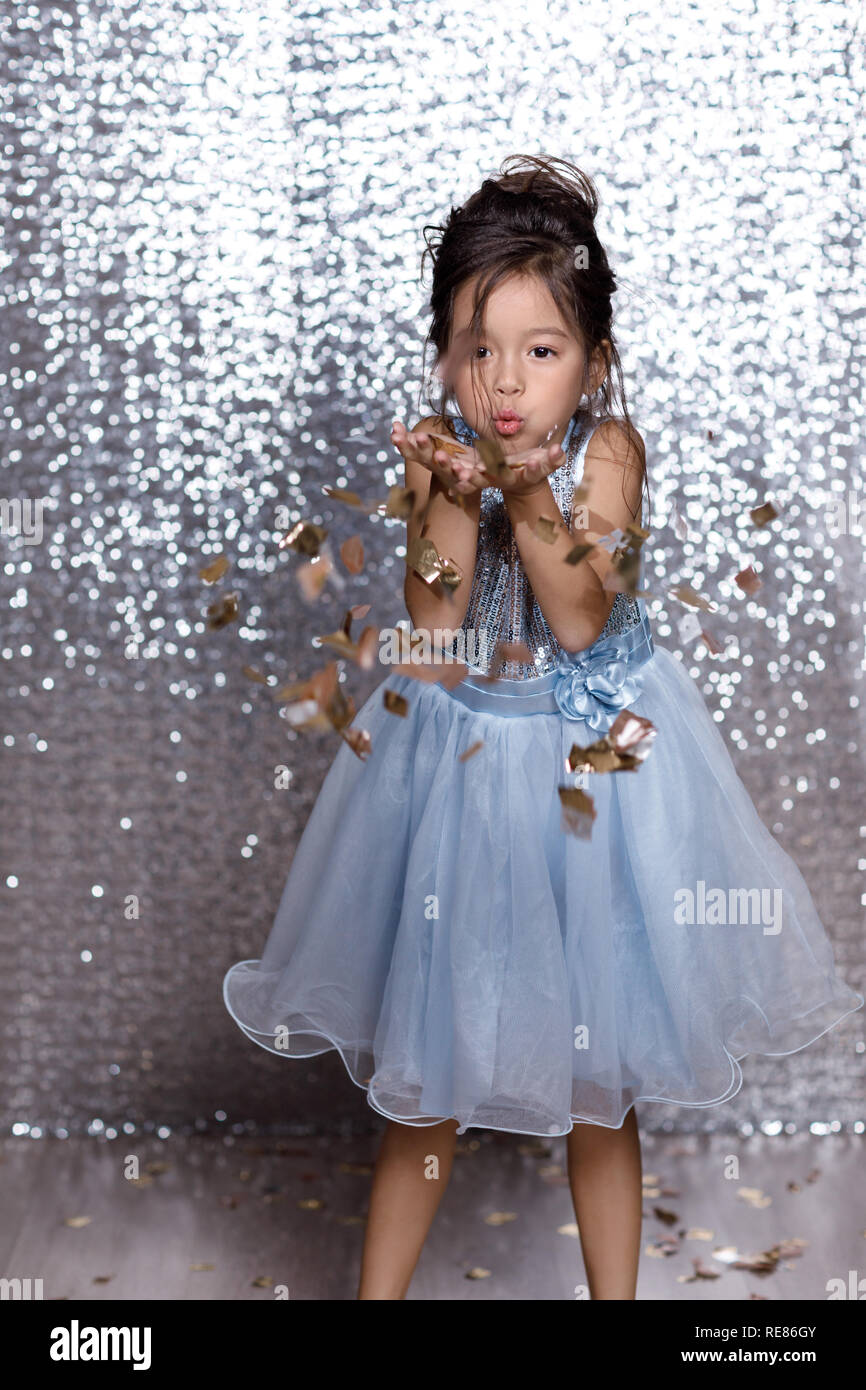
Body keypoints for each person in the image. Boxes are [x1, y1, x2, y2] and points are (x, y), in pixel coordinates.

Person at [222, 155, 863, 1300]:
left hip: (595, 771)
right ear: (443, 361)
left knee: (597, 1080)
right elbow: (432, 622)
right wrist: (448, 502)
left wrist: (521, 489)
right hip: (466, 762)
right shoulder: (442, 451)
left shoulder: (605, 454)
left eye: (539, 349)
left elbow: (576, 611)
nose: (504, 382)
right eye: (477, 351)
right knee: (426, 1074)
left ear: (593, 364)